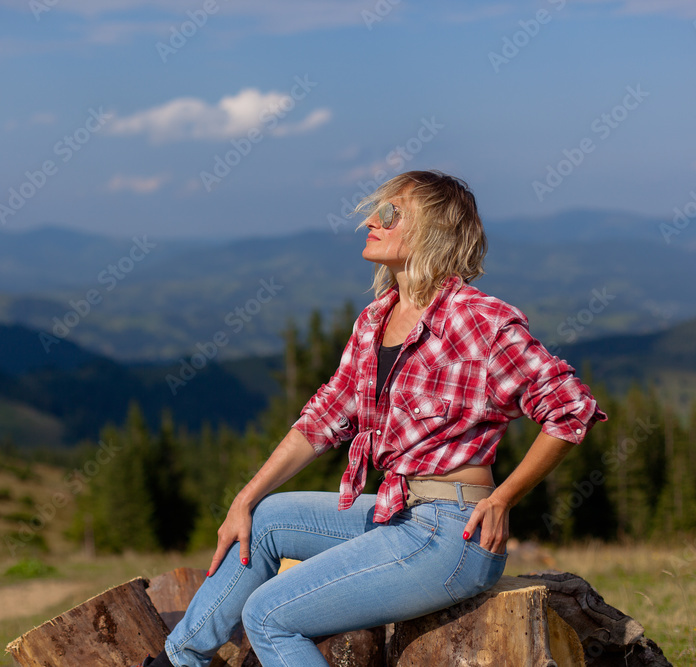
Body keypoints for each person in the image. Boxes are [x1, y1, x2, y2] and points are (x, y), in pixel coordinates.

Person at [142, 170, 606, 667]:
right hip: (398, 513)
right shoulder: (374, 321)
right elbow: (322, 418)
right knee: (264, 521)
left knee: (270, 616)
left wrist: (503, 497)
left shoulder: (479, 320)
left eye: (389, 213)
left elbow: (571, 408)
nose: (370, 220)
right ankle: (178, 661)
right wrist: (244, 498)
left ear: (432, 229)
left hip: (454, 535)